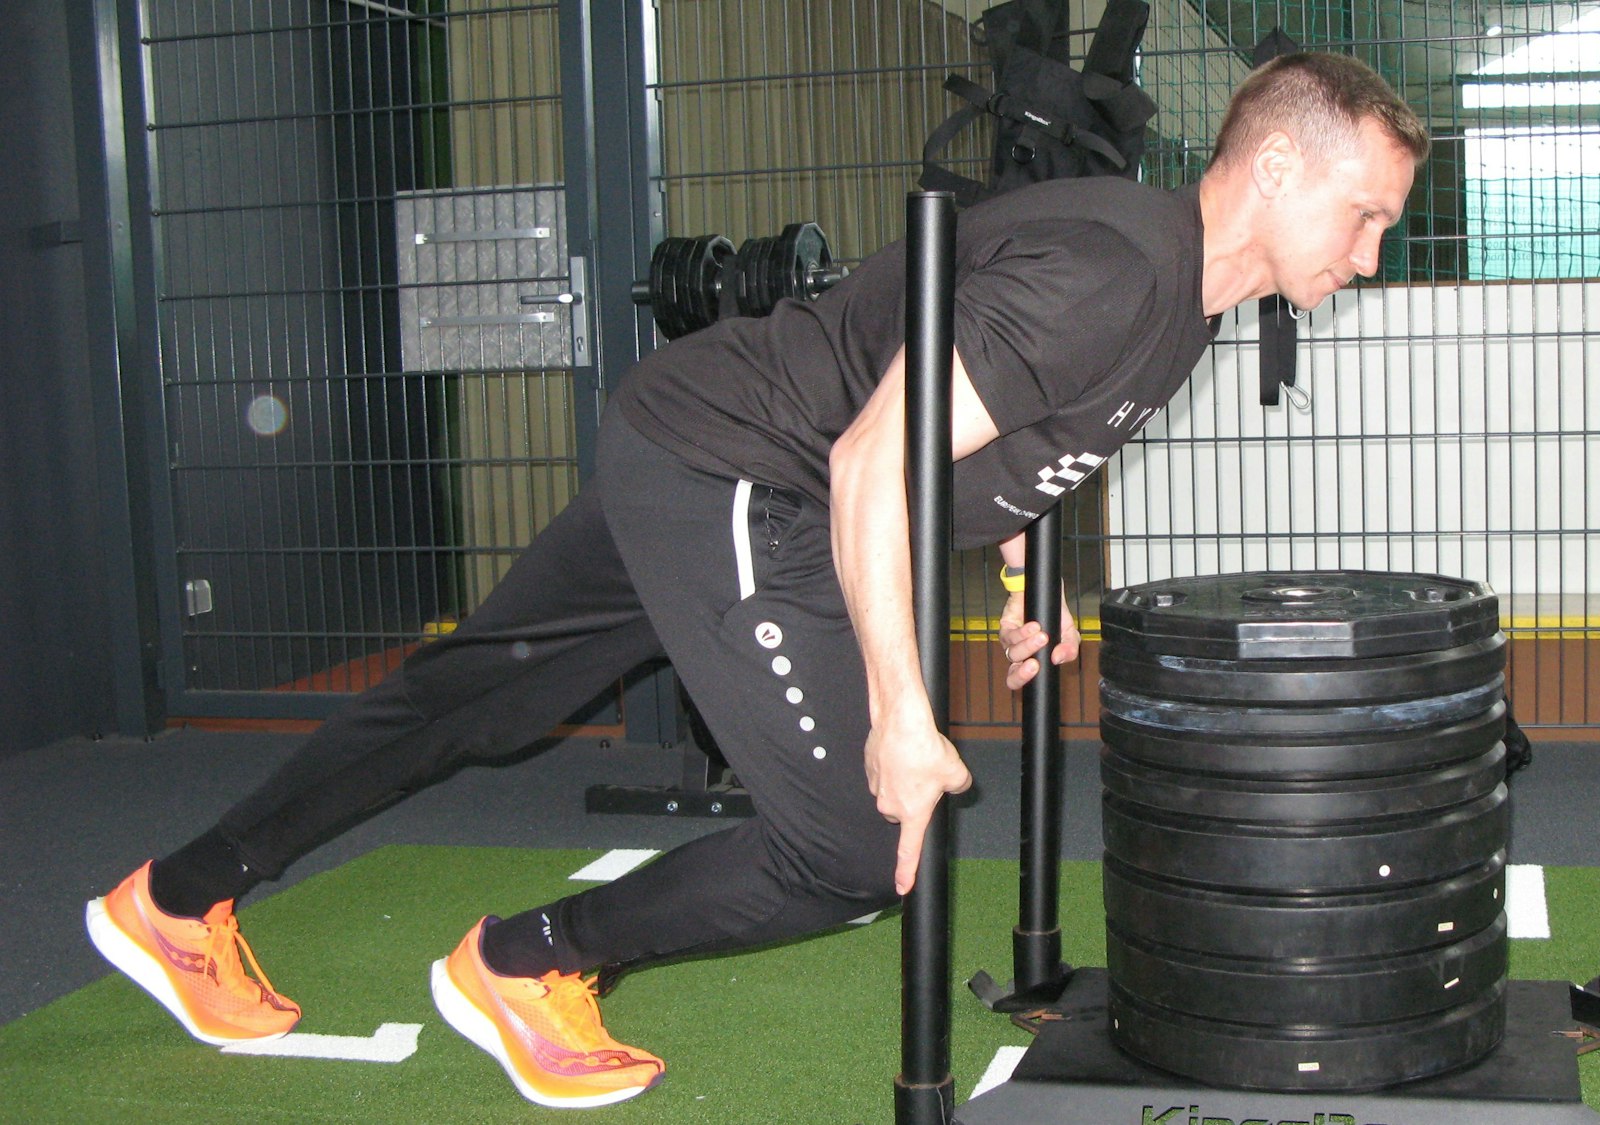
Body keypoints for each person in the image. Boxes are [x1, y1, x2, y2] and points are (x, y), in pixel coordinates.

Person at [84, 51, 1426, 1109]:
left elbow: (1022, 434)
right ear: (1275, 171)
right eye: (1364, 215)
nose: (1368, 256)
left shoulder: (1183, 295)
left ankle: (174, 895)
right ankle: (520, 963)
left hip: (690, 437)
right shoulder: (1116, 274)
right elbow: (865, 465)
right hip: (751, 472)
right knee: (854, 839)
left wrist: (1035, 571)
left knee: (470, 702)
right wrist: (903, 712)